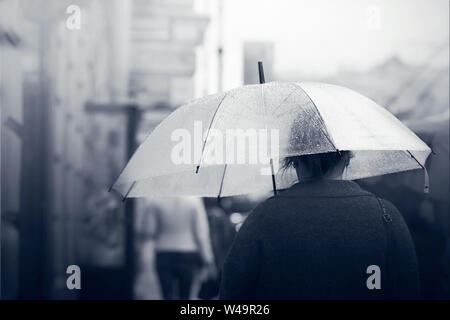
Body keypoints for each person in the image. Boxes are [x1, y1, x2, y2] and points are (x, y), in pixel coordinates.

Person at [220, 151, 420, 299]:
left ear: (293, 160)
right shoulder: (385, 214)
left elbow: (232, 294)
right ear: (347, 158)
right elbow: (409, 290)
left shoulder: (262, 217)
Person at [148, 197, 215, 300]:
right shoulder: (194, 199)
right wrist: (208, 258)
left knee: (167, 294)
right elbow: (201, 233)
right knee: (185, 295)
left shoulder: (156, 200)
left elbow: (149, 230)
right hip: (187, 251)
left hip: (163, 250)